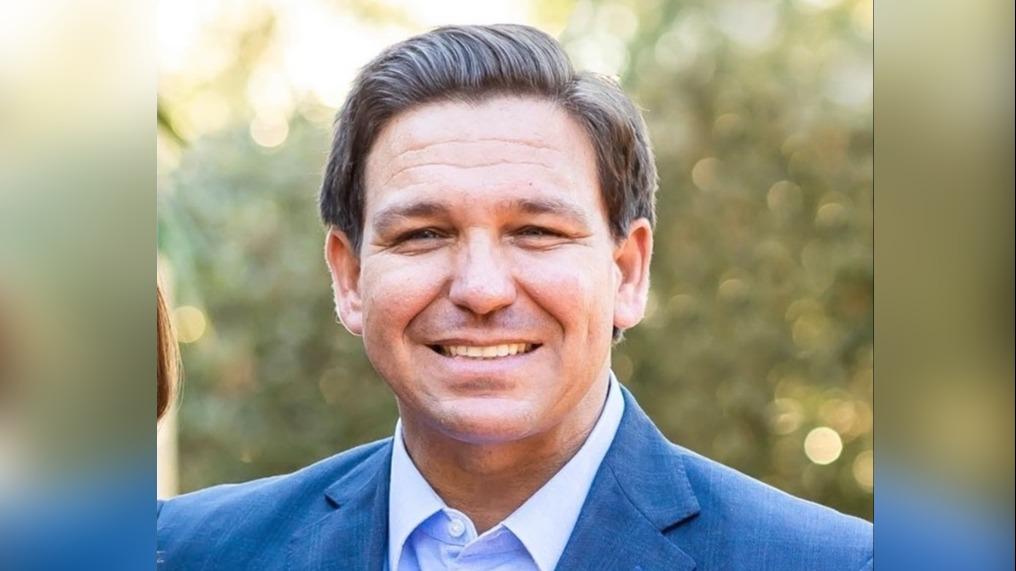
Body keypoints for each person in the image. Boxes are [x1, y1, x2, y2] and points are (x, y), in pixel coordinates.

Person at [156, 24, 872, 570]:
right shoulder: (182, 552)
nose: (481, 289)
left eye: (536, 232)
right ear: (349, 278)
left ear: (627, 272)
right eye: (424, 234)